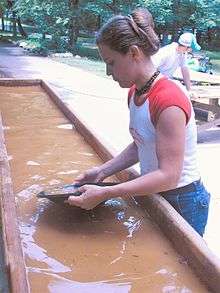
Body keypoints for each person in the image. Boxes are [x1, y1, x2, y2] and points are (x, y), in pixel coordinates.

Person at [67, 8, 210, 237]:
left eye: (111, 62)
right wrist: (102, 172)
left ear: (134, 53)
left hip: (183, 199)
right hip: (155, 190)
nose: (108, 71)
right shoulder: (135, 91)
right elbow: (141, 143)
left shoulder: (168, 100)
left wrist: (107, 193)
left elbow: (169, 175)